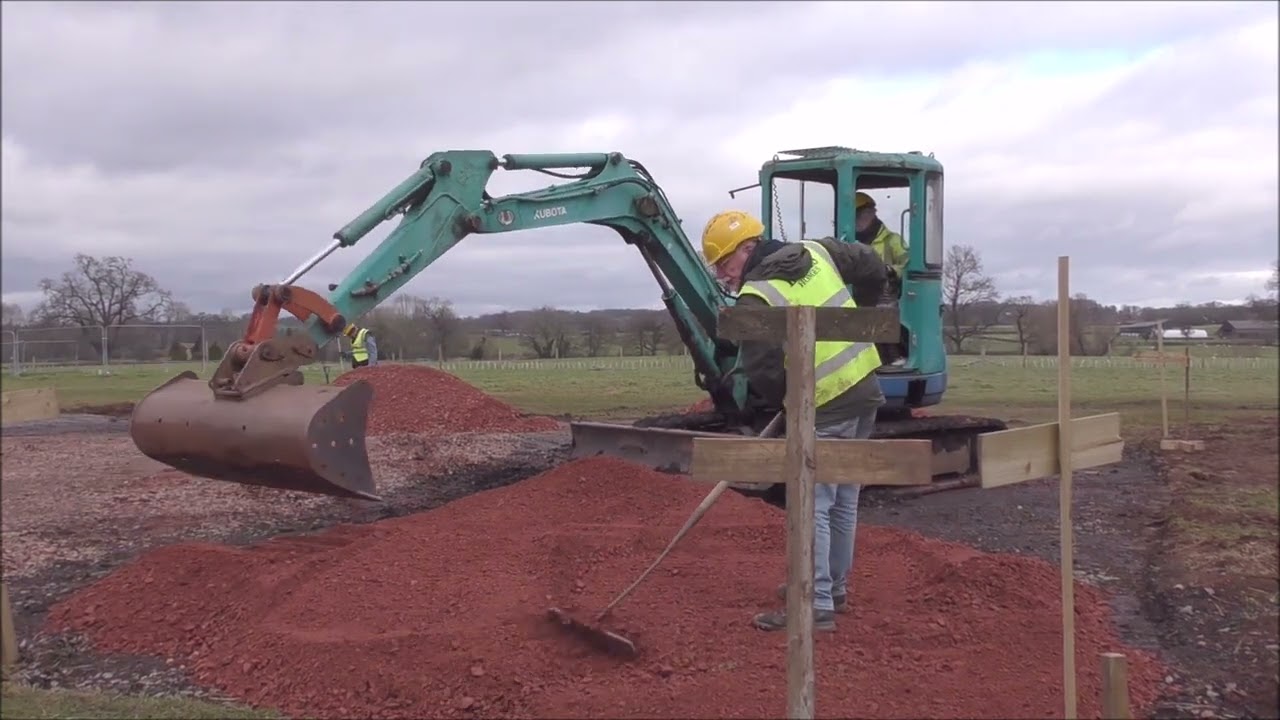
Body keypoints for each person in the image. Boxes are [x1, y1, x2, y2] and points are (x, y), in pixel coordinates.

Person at [700, 209, 889, 633]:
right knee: (843, 499)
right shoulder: (817, 251)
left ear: (746, 250)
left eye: (724, 263)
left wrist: (789, 398)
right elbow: (873, 265)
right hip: (864, 385)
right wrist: (864, 315)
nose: (722, 275)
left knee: (812, 503)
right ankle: (831, 588)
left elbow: (762, 367)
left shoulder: (756, 295)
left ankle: (816, 601)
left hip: (825, 402)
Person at [854, 191, 908, 366]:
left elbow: (909, 266)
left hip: (885, 297)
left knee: (883, 310)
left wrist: (891, 270)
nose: (855, 221)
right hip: (857, 297)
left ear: (870, 213)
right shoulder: (847, 242)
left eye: (858, 216)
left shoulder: (892, 241)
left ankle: (893, 356)